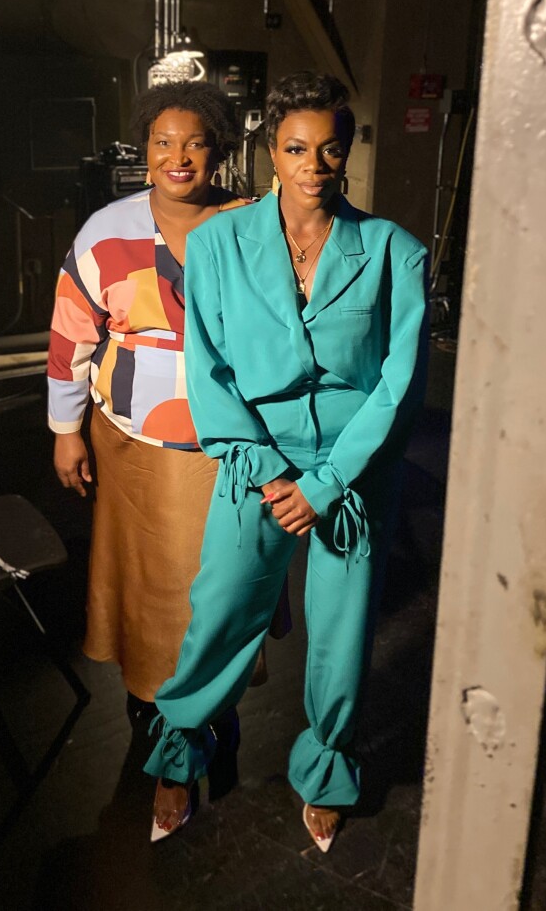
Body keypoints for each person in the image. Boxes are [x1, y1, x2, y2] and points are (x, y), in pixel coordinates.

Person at [144, 72, 429, 850]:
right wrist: (273, 474)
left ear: (347, 153)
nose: (314, 164)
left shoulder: (395, 252)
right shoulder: (218, 244)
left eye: (330, 149)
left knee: (341, 632)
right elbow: (207, 369)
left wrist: (328, 482)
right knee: (224, 610)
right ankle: (181, 752)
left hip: (354, 462)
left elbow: (399, 383)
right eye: (298, 148)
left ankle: (326, 768)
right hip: (254, 459)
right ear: (273, 151)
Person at [47, 81, 247, 723]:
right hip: (131, 437)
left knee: (216, 582)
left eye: (195, 142)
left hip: (230, 440)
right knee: (144, 582)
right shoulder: (107, 229)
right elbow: (71, 332)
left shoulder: (252, 221)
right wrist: (64, 428)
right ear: (146, 149)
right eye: (164, 142)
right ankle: (152, 705)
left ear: (219, 150)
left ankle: (213, 703)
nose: (178, 156)